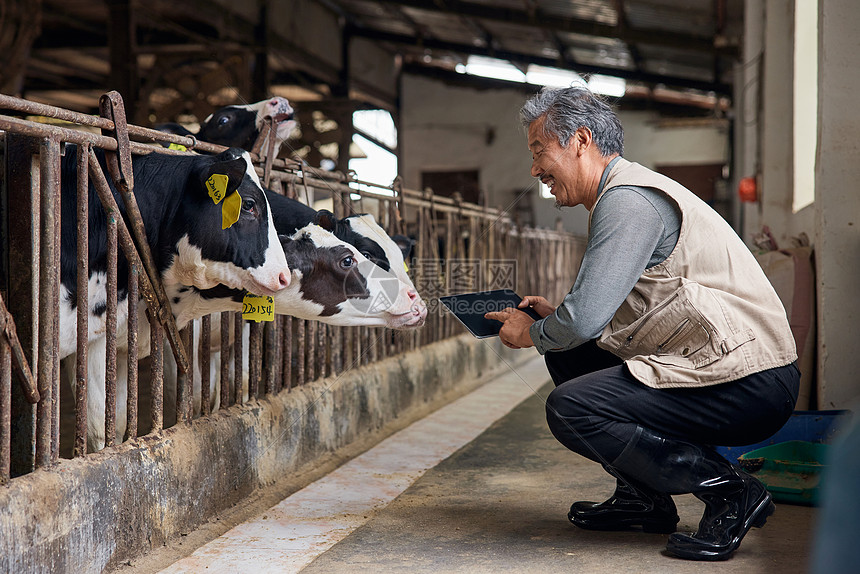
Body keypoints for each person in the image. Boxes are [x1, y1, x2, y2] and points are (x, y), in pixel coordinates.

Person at [485, 86, 799, 561]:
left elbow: (586, 317)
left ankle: (732, 493)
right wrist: (554, 322)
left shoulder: (628, 201)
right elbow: (597, 318)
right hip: (716, 365)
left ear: (580, 140)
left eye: (538, 151)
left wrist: (529, 333)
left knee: (571, 407)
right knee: (568, 350)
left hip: (751, 381)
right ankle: (644, 499)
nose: (534, 170)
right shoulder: (620, 195)